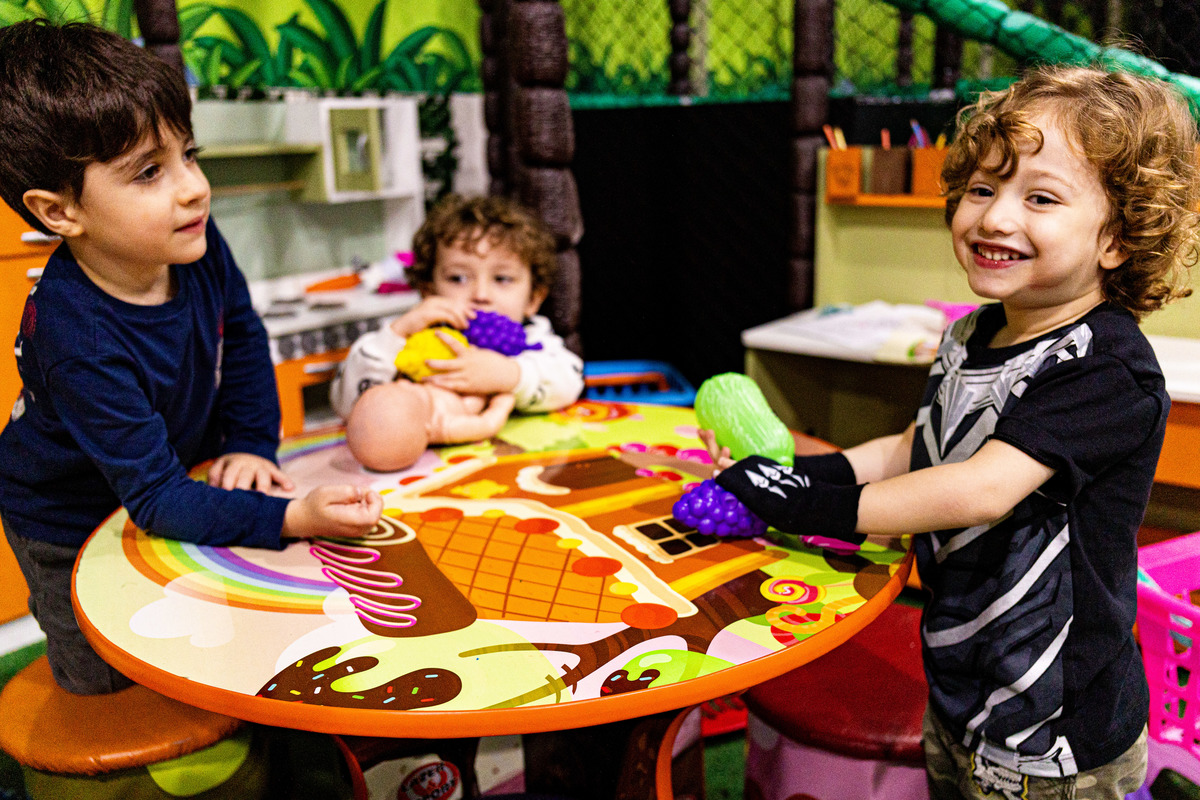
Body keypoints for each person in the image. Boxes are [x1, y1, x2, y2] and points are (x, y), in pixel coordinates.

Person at [705, 64, 1199, 798]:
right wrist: (808, 474)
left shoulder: (1104, 368)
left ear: (1118, 239)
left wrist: (805, 505)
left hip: (1053, 733)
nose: (995, 218)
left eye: (1040, 198)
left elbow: (979, 489)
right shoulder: (971, 334)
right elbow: (920, 447)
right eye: (982, 188)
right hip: (962, 683)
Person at [0, 19, 382, 695]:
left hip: (172, 482)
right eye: (150, 172)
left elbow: (245, 338)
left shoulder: (192, 243)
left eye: (189, 155)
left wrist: (253, 443)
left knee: (205, 636)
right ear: (59, 213)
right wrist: (292, 518)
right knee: (108, 681)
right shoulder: (77, 337)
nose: (195, 187)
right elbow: (156, 499)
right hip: (67, 524)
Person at [330, 193, 584, 471]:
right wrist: (395, 335)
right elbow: (346, 404)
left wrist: (509, 374)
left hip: (519, 463)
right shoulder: (414, 334)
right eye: (458, 278)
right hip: (421, 468)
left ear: (534, 298)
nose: (481, 294)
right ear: (428, 289)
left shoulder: (534, 339)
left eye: (502, 279)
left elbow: (571, 380)